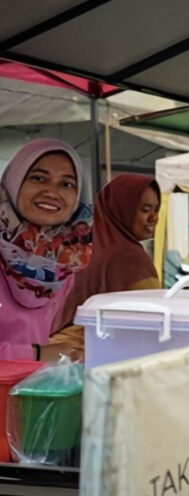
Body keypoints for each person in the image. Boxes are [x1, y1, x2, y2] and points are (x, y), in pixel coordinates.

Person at [0, 138, 93, 361]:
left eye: (66, 184)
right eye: (38, 178)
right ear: (14, 182)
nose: (51, 192)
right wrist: (37, 354)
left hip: (28, 390)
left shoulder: (61, 263)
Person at [54, 174, 161, 332]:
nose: (154, 218)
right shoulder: (129, 256)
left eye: (156, 210)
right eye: (145, 210)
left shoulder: (79, 245)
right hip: (100, 348)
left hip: (57, 347)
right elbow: (155, 318)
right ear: (121, 210)